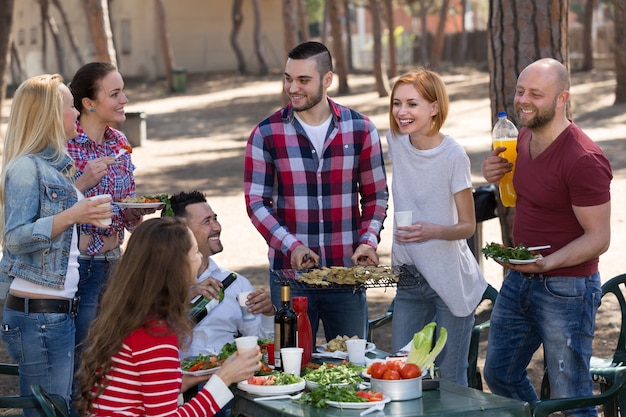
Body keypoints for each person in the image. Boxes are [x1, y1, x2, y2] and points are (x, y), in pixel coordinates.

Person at [482, 58, 612, 415]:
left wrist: (549, 263)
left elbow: (599, 237)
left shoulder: (584, 158)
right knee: (500, 374)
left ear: (561, 99)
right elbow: (518, 189)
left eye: (536, 94)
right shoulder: (521, 136)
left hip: (567, 289)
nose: (523, 100)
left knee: (571, 394)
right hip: (519, 278)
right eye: (521, 91)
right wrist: (490, 171)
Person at [244, 41, 389, 341]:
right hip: (290, 278)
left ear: (327, 80)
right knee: (291, 368)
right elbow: (257, 202)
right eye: (288, 78)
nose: (292, 88)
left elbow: (376, 196)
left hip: (346, 276)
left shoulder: (361, 129)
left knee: (352, 370)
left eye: (303, 80)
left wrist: (368, 241)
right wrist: (292, 246)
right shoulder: (265, 134)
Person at [0, 74, 113, 416]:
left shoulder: (54, 169)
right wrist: (73, 214)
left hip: (53, 312)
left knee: (56, 408)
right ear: (50, 113)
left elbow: (54, 243)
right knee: (50, 411)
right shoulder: (25, 168)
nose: (76, 113)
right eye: (69, 106)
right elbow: (15, 237)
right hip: (39, 316)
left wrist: (86, 227)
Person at [75, 217, 262, 416]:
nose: (200, 257)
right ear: (178, 267)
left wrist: (197, 378)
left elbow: (143, 389)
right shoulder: (155, 333)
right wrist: (224, 379)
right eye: (195, 252)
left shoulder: (129, 316)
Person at [386, 68, 487, 385]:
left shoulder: (453, 155)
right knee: (401, 374)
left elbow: (468, 226)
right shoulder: (396, 142)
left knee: (450, 379)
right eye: (397, 103)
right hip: (410, 278)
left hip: (450, 281)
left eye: (412, 104)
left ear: (434, 107)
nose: (402, 112)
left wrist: (433, 230)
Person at [66, 62, 156, 389]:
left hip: (115, 264)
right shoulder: (65, 144)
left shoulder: (119, 140)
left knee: (114, 360)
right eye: (115, 93)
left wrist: (134, 213)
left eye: (123, 91)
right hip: (80, 268)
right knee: (83, 363)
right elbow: (51, 207)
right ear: (89, 103)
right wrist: (82, 180)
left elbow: (124, 203)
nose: (125, 99)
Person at [169, 190, 275, 356]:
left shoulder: (235, 283)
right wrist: (182, 296)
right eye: (206, 222)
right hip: (177, 377)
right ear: (182, 231)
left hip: (225, 375)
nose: (217, 227)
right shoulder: (158, 284)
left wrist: (268, 314)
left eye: (215, 219)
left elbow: (261, 341)